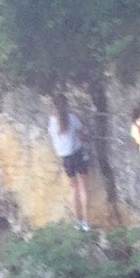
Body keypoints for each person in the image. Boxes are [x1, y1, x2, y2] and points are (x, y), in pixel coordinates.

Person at [47, 94, 92, 229]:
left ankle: (77, 222)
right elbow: (81, 135)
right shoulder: (72, 118)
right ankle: (86, 222)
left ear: (54, 106)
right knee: (83, 187)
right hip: (77, 154)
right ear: (66, 104)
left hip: (65, 158)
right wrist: (87, 133)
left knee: (73, 188)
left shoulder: (52, 122)